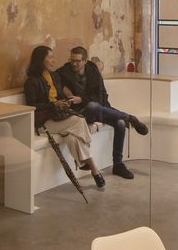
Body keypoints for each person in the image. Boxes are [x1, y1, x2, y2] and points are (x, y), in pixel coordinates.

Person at [57, 46, 148, 180]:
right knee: (93, 106)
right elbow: (54, 81)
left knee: (120, 123)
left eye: (77, 61)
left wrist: (82, 99)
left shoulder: (92, 71)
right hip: (79, 114)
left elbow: (100, 96)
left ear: (85, 61)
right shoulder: (64, 72)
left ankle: (118, 164)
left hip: (99, 107)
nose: (74, 64)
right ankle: (130, 118)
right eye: (72, 60)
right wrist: (63, 89)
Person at [23, 45, 105, 190]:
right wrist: (53, 105)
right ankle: (88, 151)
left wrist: (65, 101)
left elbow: (61, 94)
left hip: (59, 117)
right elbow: (32, 106)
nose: (53, 60)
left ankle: (94, 170)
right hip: (45, 122)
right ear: (41, 60)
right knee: (80, 120)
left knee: (73, 138)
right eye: (50, 57)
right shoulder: (32, 81)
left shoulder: (54, 76)